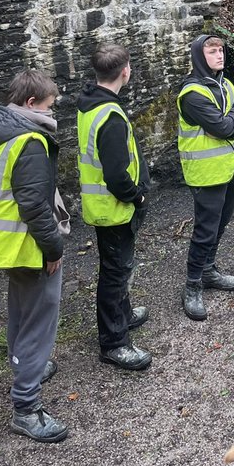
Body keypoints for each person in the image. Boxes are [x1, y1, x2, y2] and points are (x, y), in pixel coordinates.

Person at [0, 69, 71, 444]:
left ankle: (27, 368)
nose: (52, 110)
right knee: (38, 319)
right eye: (49, 104)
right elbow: (35, 207)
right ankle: (26, 406)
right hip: (25, 244)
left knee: (20, 310)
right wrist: (53, 247)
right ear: (30, 104)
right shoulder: (30, 142)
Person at [76, 44, 152, 371]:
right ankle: (114, 342)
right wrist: (137, 196)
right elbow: (115, 175)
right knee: (114, 273)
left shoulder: (92, 105)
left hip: (105, 207)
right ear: (126, 71)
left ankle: (123, 315)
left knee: (118, 267)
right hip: (114, 209)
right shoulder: (110, 117)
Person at [177, 34, 234, 322]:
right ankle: (192, 284)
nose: (219, 55)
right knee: (205, 229)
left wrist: (233, 120)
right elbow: (223, 126)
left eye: (221, 50)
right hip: (206, 172)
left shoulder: (225, 84)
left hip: (231, 166)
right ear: (199, 56)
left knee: (221, 222)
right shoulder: (192, 94)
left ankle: (208, 270)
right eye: (212, 51)